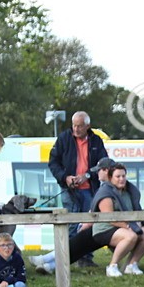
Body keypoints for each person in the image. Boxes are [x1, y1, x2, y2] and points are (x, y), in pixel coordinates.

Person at [48, 111, 108, 266]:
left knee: (88, 224)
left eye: (80, 126)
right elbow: (53, 162)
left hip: (90, 190)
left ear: (88, 126)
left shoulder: (96, 141)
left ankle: (85, 258)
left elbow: (103, 163)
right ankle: (66, 259)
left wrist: (87, 175)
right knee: (71, 225)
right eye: (74, 125)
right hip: (69, 189)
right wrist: (65, 177)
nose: (75, 129)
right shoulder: (63, 139)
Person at [91, 164, 144, 277]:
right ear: (110, 178)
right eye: (118, 176)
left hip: (127, 225)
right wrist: (129, 227)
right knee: (131, 236)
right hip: (106, 228)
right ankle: (112, 266)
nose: (121, 179)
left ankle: (131, 265)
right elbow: (109, 218)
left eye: (123, 176)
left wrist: (138, 222)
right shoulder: (105, 193)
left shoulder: (129, 191)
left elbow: (135, 210)